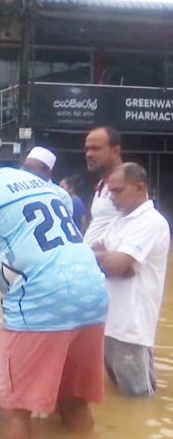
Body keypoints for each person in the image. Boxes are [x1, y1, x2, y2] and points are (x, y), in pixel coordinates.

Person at [0, 152, 108, 439]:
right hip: (94, 292)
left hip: (40, 302)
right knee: (74, 400)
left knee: (14, 407)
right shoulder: (36, 182)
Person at [90, 163, 170, 397]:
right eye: (109, 191)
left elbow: (115, 265)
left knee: (139, 398)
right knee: (117, 392)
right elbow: (92, 253)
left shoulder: (151, 222)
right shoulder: (120, 220)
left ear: (139, 188)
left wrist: (115, 262)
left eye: (117, 191)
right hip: (109, 323)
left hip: (132, 328)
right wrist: (112, 261)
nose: (111, 198)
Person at [84, 127, 123, 246]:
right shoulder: (102, 184)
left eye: (96, 149)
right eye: (87, 149)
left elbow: (139, 227)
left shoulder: (128, 184)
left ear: (115, 151)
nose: (89, 154)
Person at [22, 146, 73, 215]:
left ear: (47, 172)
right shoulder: (18, 190)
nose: (24, 172)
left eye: (30, 168)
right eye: (24, 168)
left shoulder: (61, 195)